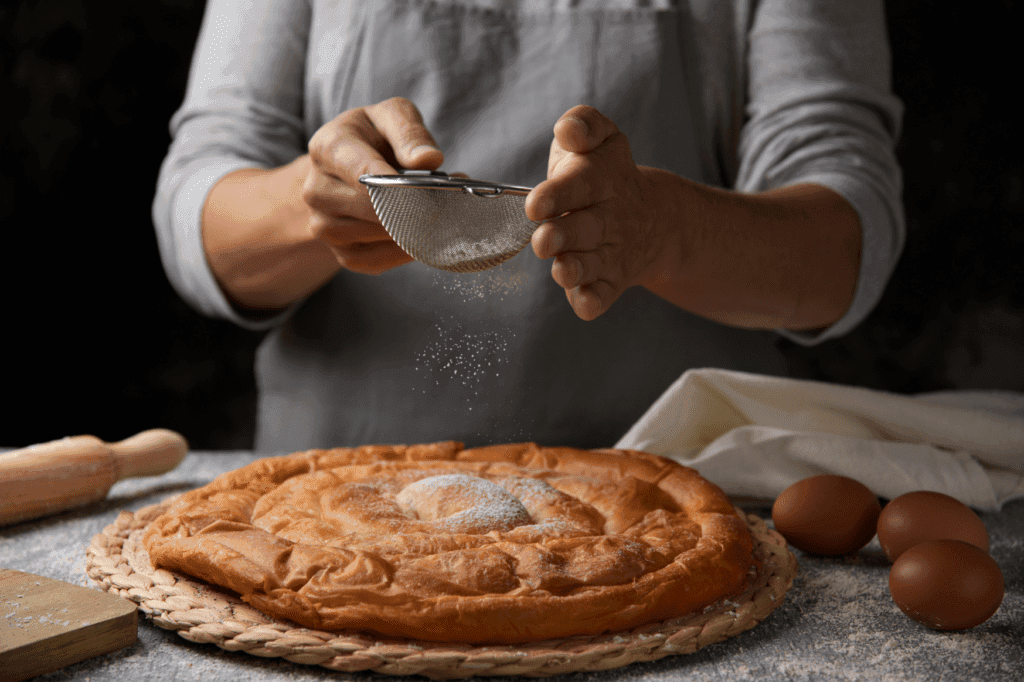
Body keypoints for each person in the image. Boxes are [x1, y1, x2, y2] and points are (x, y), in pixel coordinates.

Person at [153, 0, 904, 453]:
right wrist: (310, 205)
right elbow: (200, 218)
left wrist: (666, 229)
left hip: (682, 484)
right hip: (340, 495)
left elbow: (843, 250)